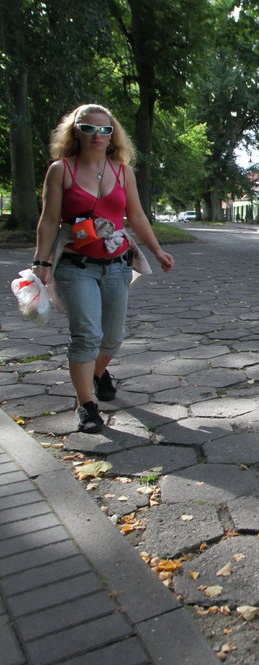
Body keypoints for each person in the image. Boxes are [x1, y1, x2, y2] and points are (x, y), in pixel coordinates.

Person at [32, 103, 175, 434]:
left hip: (116, 265)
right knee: (86, 335)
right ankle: (87, 405)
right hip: (75, 264)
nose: (98, 135)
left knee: (112, 338)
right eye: (90, 128)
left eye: (105, 129)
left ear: (113, 135)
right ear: (76, 131)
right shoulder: (61, 170)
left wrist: (157, 250)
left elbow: (136, 216)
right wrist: (41, 262)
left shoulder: (123, 171)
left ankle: (98, 372)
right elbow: (50, 219)